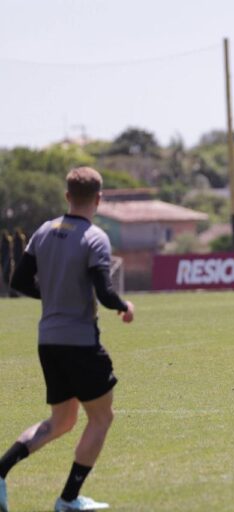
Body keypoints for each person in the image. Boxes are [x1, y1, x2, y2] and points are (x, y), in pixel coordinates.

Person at [1, 167, 134, 512]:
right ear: (99, 198)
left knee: (61, 421)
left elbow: (18, 279)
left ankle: (0, 472)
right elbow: (105, 293)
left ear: (67, 196)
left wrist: (52, 296)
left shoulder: (44, 231)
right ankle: (69, 499)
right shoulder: (95, 237)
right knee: (102, 418)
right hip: (80, 342)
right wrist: (124, 305)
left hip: (48, 341)